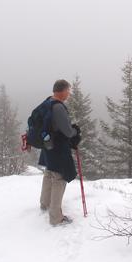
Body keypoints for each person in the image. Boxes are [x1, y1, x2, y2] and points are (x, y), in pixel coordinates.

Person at [38, 79, 81, 225]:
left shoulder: (47, 102)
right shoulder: (58, 107)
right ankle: (56, 217)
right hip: (57, 148)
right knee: (59, 178)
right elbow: (68, 132)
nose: (69, 94)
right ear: (62, 91)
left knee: (49, 173)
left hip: (47, 145)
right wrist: (76, 130)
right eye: (68, 91)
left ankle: (45, 204)